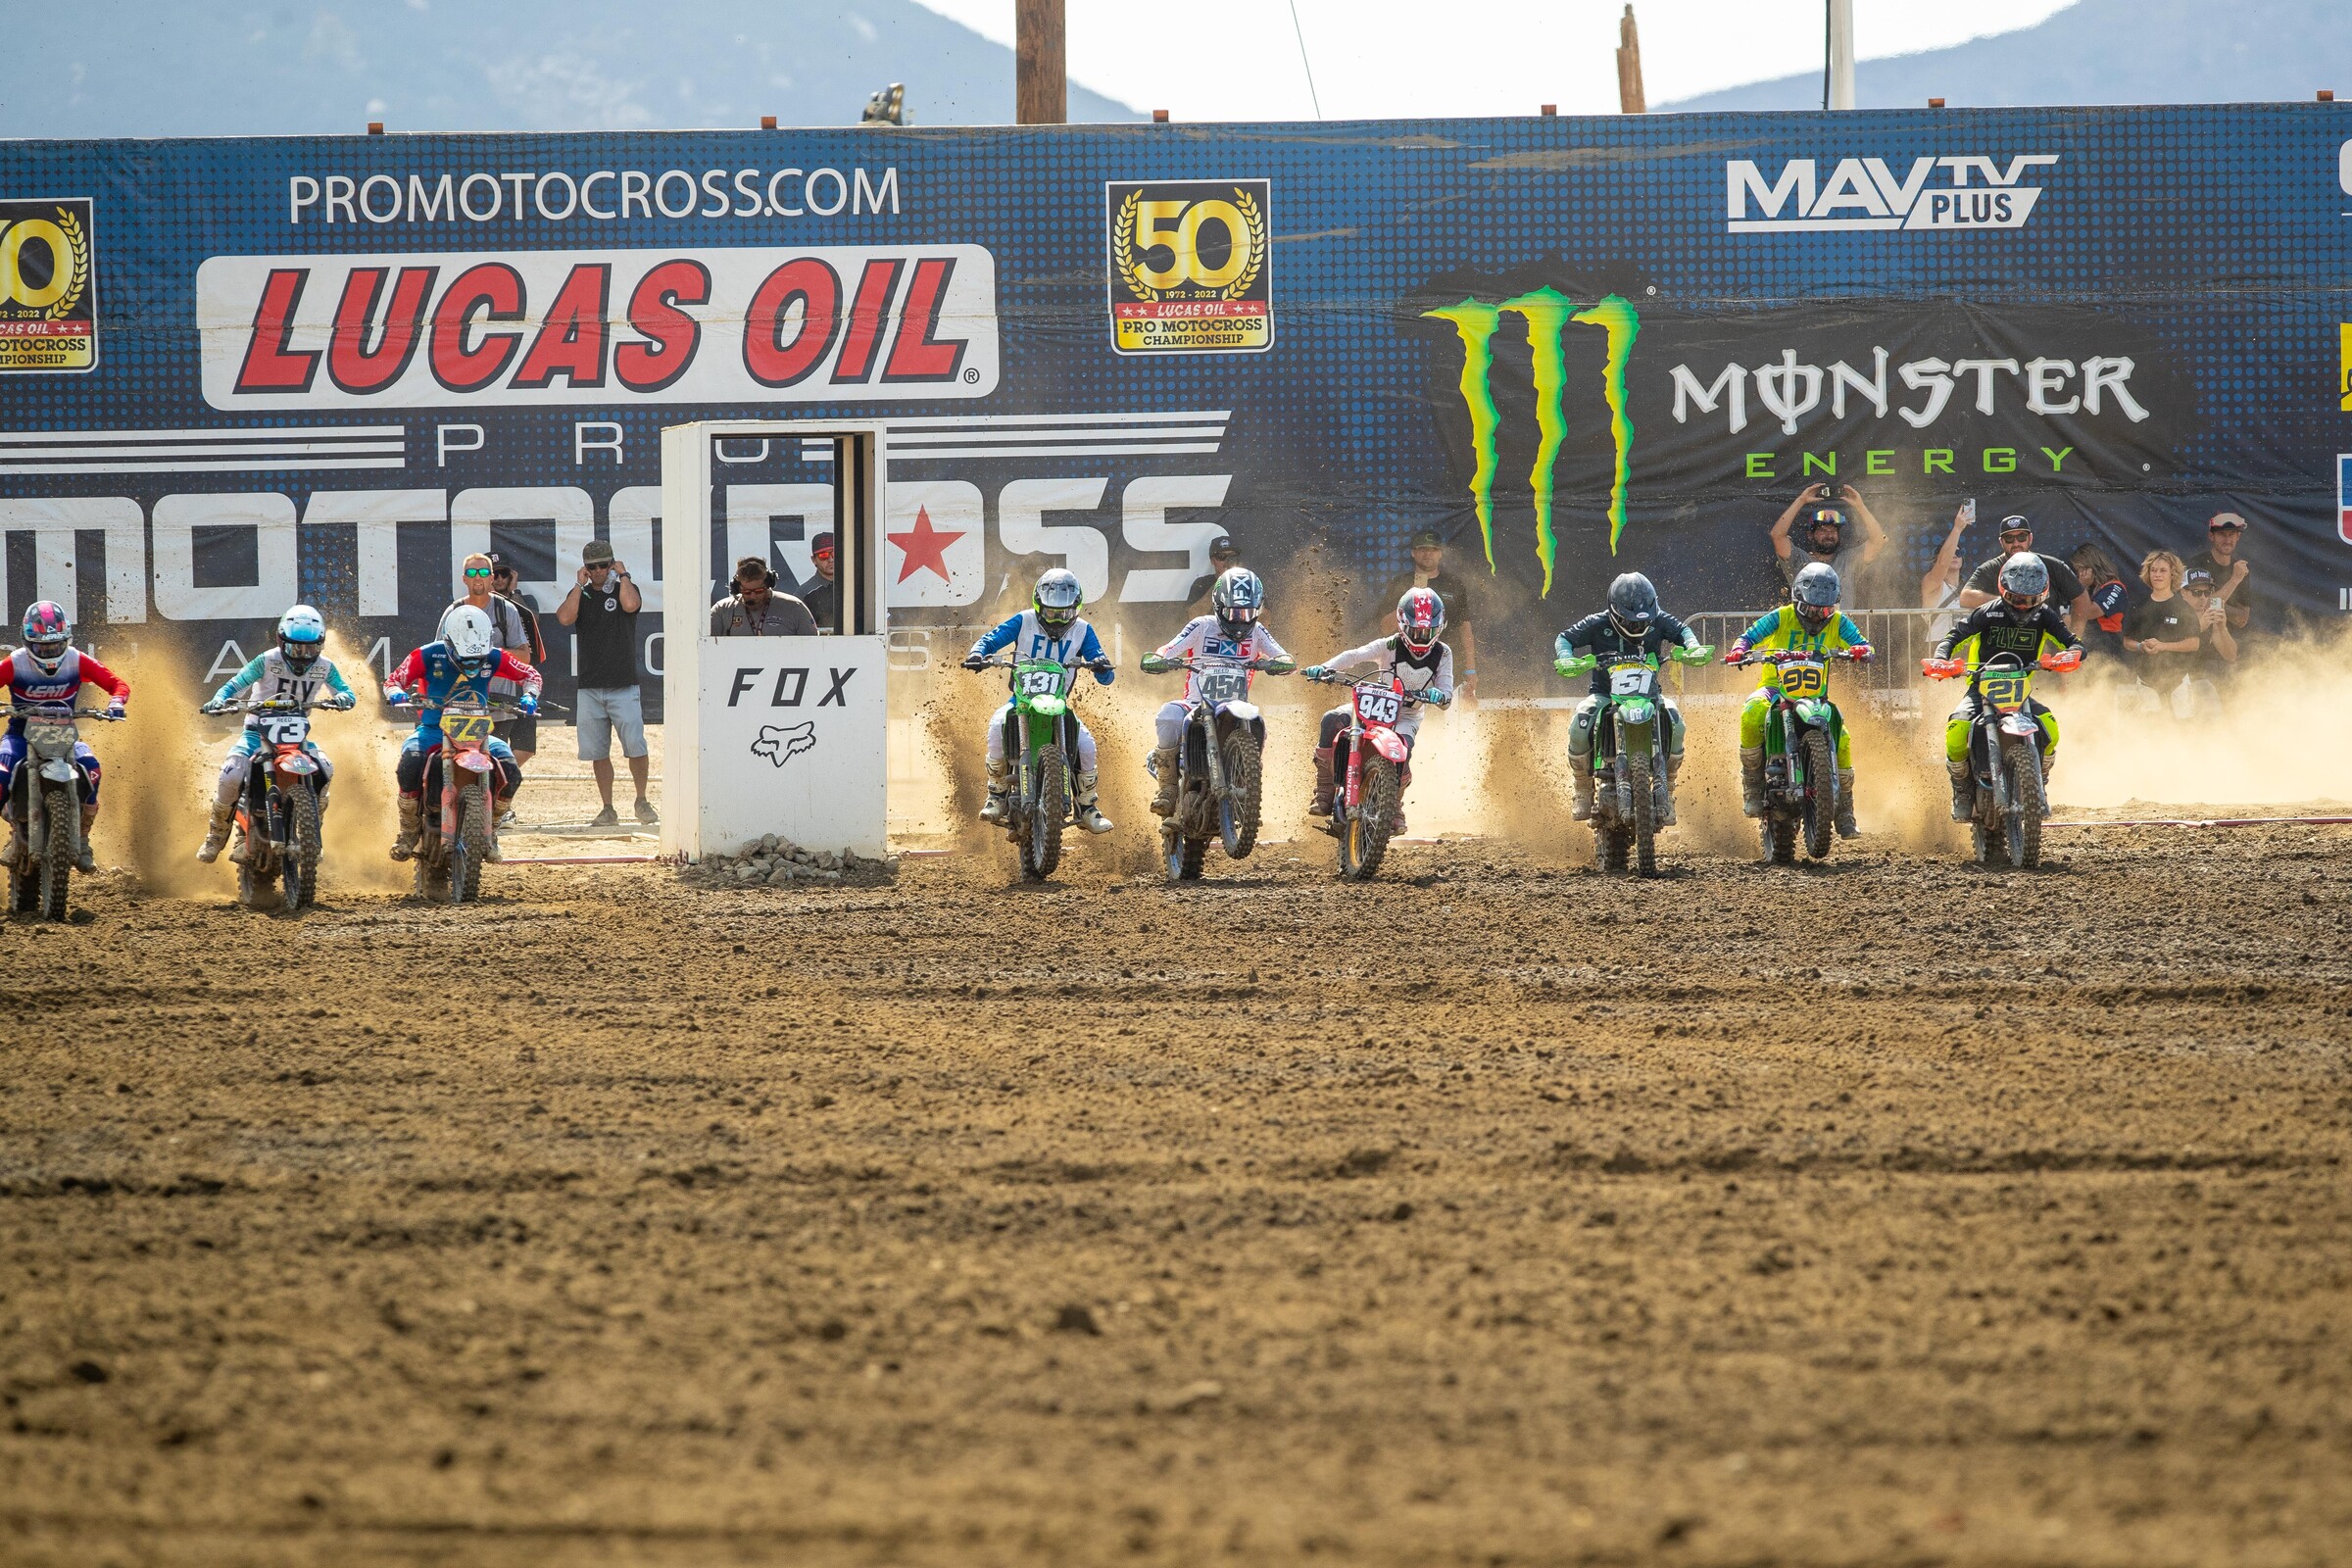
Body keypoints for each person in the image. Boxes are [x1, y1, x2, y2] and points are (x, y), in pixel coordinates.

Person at [195, 606, 358, 864]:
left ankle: (311, 834)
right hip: (257, 733)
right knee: (231, 773)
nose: (304, 655)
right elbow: (236, 684)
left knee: (326, 768)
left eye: (311, 649)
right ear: (282, 642)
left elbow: (346, 691)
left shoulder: (326, 667)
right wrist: (219, 700)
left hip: (297, 736)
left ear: (321, 645)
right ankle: (216, 835)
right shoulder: (267, 660)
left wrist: (343, 699)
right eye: (296, 648)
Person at [959, 567, 1115, 834]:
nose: (1057, 619)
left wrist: (1101, 666)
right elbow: (990, 639)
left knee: (1087, 744)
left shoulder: (1083, 630)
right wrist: (977, 654)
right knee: (997, 725)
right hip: (1020, 702)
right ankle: (996, 795)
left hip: (1059, 704)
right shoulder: (1024, 620)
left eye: (1064, 613)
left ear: (1075, 608)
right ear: (1038, 605)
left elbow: (1106, 674)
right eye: (1051, 612)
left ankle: (1088, 806)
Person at [1929, 554, 2082, 821]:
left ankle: (2040, 781)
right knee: (1957, 729)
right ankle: (1962, 789)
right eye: (2017, 599)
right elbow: (1954, 636)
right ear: (2003, 591)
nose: (2023, 606)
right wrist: (1942, 659)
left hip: (2019, 689)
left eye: (2031, 600)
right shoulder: (1989, 612)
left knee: (2050, 727)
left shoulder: (2045, 616)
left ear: (2042, 595)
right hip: (1981, 688)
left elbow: (2073, 642)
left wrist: (2071, 655)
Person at [384, 605, 542, 861]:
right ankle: (408, 829)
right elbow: (393, 680)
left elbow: (530, 674)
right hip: (434, 730)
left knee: (511, 772)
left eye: (477, 659)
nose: (472, 665)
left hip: (478, 733)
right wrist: (396, 693)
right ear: (449, 643)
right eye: (466, 659)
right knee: (410, 763)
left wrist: (529, 696)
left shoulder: (494, 655)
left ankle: (491, 829)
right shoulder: (426, 655)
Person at [1725, 564, 1872, 836]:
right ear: (1797, 601)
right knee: (1752, 712)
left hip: (1815, 694)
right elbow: (1749, 636)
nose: (1817, 616)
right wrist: (1739, 650)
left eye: (1825, 610)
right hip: (1774, 689)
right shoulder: (1780, 617)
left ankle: (1845, 809)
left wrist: (1861, 650)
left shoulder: (1839, 622)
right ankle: (1753, 784)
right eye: (1811, 609)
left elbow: (1861, 642)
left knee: (1843, 735)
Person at [1554, 572, 1707, 826]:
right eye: (1631, 622)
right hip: (1604, 695)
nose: (1637, 627)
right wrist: (1566, 657)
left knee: (1677, 722)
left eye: (1641, 622)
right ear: (1614, 613)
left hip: (1650, 695)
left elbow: (1683, 631)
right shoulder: (1597, 623)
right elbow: (1565, 638)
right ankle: (1582, 789)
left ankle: (1668, 789)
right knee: (1580, 724)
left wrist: (1693, 647)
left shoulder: (1659, 620)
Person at [1141, 566, 1296, 817]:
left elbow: (1282, 655)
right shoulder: (1202, 626)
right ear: (1219, 605)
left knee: (1259, 724)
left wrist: (1280, 663)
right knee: (1168, 715)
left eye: (1247, 612)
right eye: (1234, 612)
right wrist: (1161, 659)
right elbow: (1169, 648)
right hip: (1195, 704)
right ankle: (1167, 788)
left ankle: (1246, 785)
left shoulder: (1257, 632)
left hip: (1234, 708)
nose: (1240, 619)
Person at [1301, 587, 1454, 833]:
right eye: (1416, 630)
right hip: (1375, 706)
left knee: (1403, 751)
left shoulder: (1443, 653)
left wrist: (1439, 695)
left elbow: (1446, 692)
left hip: (1406, 715)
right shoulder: (1389, 644)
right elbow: (1354, 656)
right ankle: (1325, 790)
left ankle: (1394, 805)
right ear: (1403, 623)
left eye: (1427, 632)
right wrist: (1325, 668)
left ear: (1439, 628)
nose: (1421, 638)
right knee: (1331, 719)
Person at [0, 601, 127, 874]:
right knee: (1, 774)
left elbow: (117, 683)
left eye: (54, 645)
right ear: (27, 642)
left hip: (64, 733)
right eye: (41, 646)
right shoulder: (15, 663)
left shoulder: (77, 659)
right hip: (21, 734)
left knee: (92, 769)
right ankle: (12, 832)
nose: (47, 651)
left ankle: (82, 839)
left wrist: (116, 701)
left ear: (66, 640)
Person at [557, 539, 655, 827]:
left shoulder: (625, 588)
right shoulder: (582, 595)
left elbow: (632, 604)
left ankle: (641, 799)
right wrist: (578, 586)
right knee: (597, 752)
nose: (598, 571)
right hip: (589, 687)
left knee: (635, 745)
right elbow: (564, 618)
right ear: (585, 568)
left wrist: (623, 576)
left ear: (611, 564)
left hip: (623, 684)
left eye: (603, 565)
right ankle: (608, 807)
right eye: (592, 567)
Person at [443, 551, 542, 824]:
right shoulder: (452, 612)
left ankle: (492, 822)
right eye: (473, 573)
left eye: (485, 573)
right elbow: (439, 656)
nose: (480, 578)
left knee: (498, 768)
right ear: (464, 578)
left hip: (499, 705)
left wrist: (488, 654)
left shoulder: (505, 609)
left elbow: (525, 657)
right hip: (459, 707)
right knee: (446, 764)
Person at [1376, 529, 1478, 704]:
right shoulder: (1400, 585)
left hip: (1443, 666)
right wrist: (1411, 598)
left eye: (1433, 549)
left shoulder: (1454, 585)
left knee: (1440, 720)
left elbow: (1465, 629)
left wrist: (1470, 671)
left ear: (1440, 554)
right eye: (1422, 549)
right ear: (1413, 553)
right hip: (1405, 668)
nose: (1428, 553)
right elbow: (1385, 628)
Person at [1956, 514, 2092, 633]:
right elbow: (1966, 597)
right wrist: (2010, 602)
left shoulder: (2052, 565)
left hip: (2047, 650)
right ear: (2001, 542)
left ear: (2030, 538)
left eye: (2021, 537)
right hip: (2003, 647)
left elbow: (2082, 599)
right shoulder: (1990, 568)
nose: (2016, 543)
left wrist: (2075, 639)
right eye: (2009, 538)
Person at [1770, 483, 1887, 605]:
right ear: (1810, 535)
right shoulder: (1799, 560)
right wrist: (1801, 500)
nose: (1829, 535)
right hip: (1806, 623)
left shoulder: (1848, 561)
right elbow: (1777, 535)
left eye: (1833, 530)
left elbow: (1879, 540)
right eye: (1822, 530)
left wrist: (1860, 506)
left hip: (1841, 623)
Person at [2123, 549, 2202, 703]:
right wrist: (2141, 646)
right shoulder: (2138, 606)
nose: (2157, 574)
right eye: (2153, 570)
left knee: (2183, 726)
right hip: (2146, 682)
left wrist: (2163, 646)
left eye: (2163, 570)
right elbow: (2127, 641)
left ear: (2173, 574)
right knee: (2149, 725)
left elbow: (2194, 643)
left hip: (2178, 682)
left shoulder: (2183, 607)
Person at [711, 555, 818, 637]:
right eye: (747, 592)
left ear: (768, 585)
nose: (753, 596)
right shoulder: (722, 609)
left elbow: (813, 645)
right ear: (737, 588)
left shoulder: (795, 607)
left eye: (759, 591)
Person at [2184, 512, 2252, 633]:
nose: (2227, 540)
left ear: (2238, 537)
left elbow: (2242, 619)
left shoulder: (2240, 569)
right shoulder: (2196, 564)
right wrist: (2234, 580)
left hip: (2226, 640)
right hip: (2198, 637)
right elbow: (2194, 607)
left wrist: (2212, 603)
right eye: (2222, 534)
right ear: (2211, 536)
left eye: (2231, 535)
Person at [1920, 501, 1974, 646]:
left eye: (1958, 552)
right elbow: (1942, 564)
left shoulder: (1970, 588)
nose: (1954, 555)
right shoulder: (1932, 583)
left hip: (1966, 646)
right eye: (1951, 552)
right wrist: (1957, 529)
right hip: (1939, 645)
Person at [2069, 543, 2130, 663]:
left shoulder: (2115, 587)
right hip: (2087, 651)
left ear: (2091, 567)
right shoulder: (2090, 589)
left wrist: (2082, 586)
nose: (2078, 575)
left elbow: (2089, 613)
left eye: (2080, 570)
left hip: (2107, 653)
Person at [1181, 534, 1244, 619]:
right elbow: (1192, 616)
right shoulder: (1202, 584)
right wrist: (1222, 583)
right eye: (1221, 557)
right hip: (1210, 630)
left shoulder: (1249, 581)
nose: (1227, 561)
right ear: (1212, 560)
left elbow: (1265, 620)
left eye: (1232, 556)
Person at [799, 530, 839, 632]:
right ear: (814, 560)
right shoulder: (804, 593)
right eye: (823, 555)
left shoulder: (857, 588)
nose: (831, 559)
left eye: (834, 553)